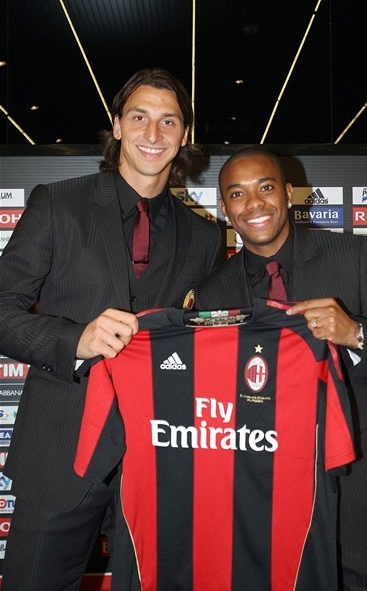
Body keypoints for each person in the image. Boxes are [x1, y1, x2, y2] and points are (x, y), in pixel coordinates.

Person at [0, 67, 222, 590]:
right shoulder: (58, 204)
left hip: (160, 462)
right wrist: (74, 339)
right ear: (117, 126)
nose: (153, 133)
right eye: (140, 117)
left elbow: (214, 339)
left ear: (184, 136)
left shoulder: (204, 236)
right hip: (61, 454)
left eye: (169, 121)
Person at [194, 147, 367, 590]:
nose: (254, 204)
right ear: (225, 209)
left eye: (266, 187)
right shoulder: (212, 293)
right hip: (264, 505)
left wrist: (355, 333)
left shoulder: (351, 255)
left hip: (357, 494)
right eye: (238, 194)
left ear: (288, 193)